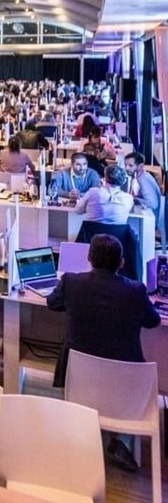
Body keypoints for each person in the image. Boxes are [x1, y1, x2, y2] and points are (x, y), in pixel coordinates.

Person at [47, 234, 160, 470]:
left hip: (78, 380)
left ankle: (79, 434)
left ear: (88, 258)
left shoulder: (71, 283)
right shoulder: (136, 291)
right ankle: (121, 441)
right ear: (122, 262)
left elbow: (52, 303)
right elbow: (153, 321)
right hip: (124, 387)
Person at [123, 152, 161, 216]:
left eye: (130, 165)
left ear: (140, 166)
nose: (126, 168)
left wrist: (132, 198)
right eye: (125, 165)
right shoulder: (141, 176)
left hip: (148, 218)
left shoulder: (143, 179)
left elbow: (153, 204)